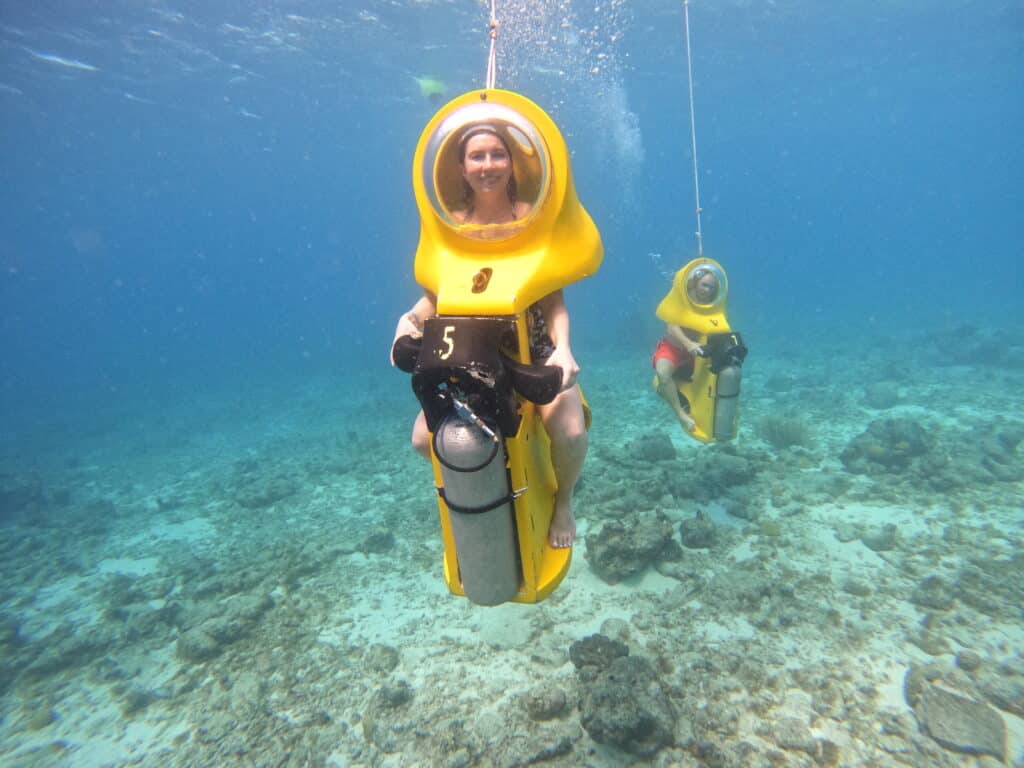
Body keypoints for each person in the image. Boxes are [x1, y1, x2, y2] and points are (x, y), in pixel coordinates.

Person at [391, 125, 587, 549]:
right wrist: (408, 320)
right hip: (469, 357)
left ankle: (565, 500)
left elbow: (554, 301)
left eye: (497, 154)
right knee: (423, 440)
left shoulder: (531, 218)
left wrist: (563, 350)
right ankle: (489, 483)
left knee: (570, 433)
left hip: (533, 353)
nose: (487, 166)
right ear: (461, 169)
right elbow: (433, 296)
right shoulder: (452, 226)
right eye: (476, 157)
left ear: (513, 161)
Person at [651, 267, 720, 432]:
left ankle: (702, 410)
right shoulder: (682, 298)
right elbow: (671, 325)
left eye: (711, 288)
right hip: (672, 348)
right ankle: (681, 414)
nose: (707, 290)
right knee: (662, 373)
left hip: (696, 353)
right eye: (704, 285)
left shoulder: (713, 304)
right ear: (696, 283)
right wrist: (688, 344)